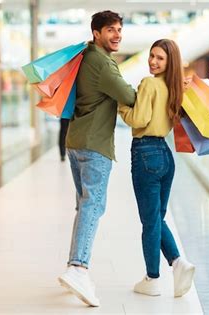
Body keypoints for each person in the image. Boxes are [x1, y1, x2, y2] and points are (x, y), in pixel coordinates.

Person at [57, 10, 136, 307]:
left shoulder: (86, 56)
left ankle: (73, 266)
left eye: (119, 30)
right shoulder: (102, 63)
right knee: (93, 205)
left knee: (84, 205)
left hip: (76, 141)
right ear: (96, 33)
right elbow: (127, 95)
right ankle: (78, 268)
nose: (116, 35)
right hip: (94, 144)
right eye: (110, 30)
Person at [118, 39, 195, 298]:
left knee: (150, 222)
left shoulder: (149, 83)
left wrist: (121, 105)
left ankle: (152, 278)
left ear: (169, 62)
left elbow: (138, 119)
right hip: (165, 154)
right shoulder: (174, 88)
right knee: (157, 219)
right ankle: (178, 263)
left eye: (159, 58)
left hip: (145, 153)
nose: (153, 61)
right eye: (152, 56)